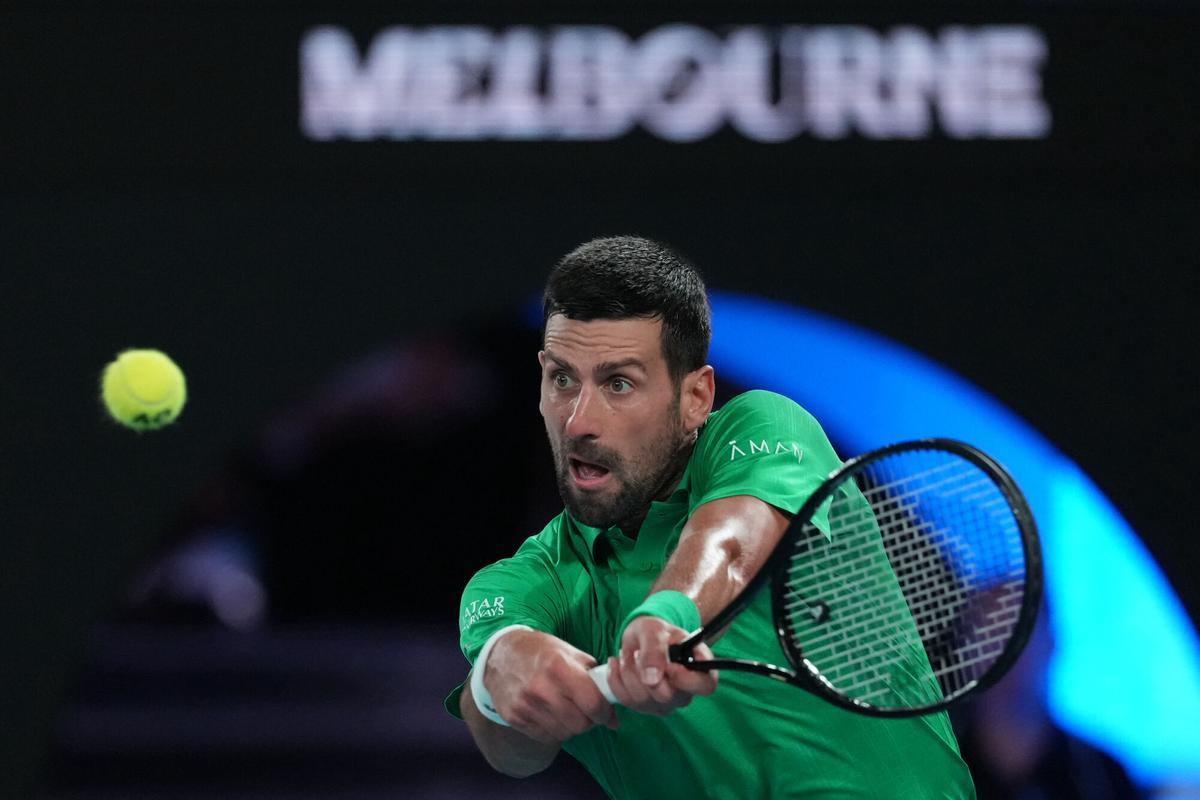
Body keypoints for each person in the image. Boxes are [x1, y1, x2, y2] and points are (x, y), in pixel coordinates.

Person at [444, 236, 976, 798]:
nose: (578, 422)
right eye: (562, 379)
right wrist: (500, 679)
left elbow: (731, 538)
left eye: (619, 383)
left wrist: (667, 617)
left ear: (696, 397)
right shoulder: (527, 582)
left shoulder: (764, 426)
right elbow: (511, 753)